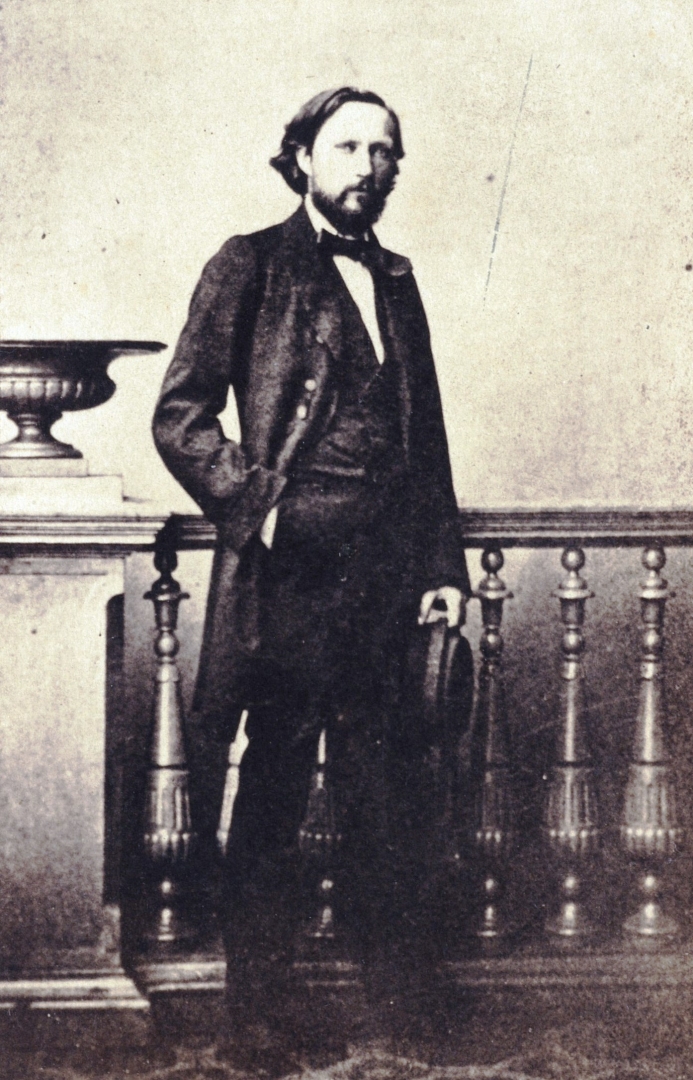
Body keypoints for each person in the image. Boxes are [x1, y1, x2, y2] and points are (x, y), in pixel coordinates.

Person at [153, 86, 471, 1070]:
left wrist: (442, 567)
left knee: (386, 795)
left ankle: (394, 1020)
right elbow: (181, 416)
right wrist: (264, 509)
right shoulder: (249, 263)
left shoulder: (397, 279)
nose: (369, 167)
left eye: (385, 151)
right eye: (348, 146)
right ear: (300, 158)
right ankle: (257, 1019)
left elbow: (426, 441)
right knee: (276, 794)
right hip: (290, 576)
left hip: (388, 576)